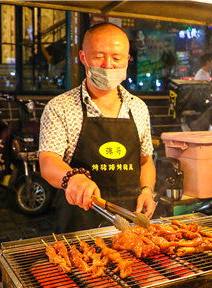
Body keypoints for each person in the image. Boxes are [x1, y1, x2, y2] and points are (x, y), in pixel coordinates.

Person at [39, 23, 156, 233]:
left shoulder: (138, 108)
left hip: (130, 223)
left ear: (127, 59)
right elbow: (48, 161)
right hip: (78, 224)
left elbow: (146, 161)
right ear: (83, 57)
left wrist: (147, 190)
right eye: (99, 56)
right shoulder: (60, 107)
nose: (108, 65)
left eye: (117, 58)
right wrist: (73, 178)